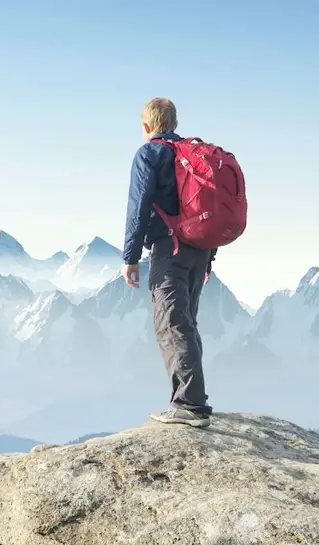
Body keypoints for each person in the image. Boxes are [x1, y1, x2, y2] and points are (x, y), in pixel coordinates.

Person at [122, 98, 215, 428]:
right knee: (186, 320)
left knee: (172, 322)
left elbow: (139, 207)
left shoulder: (150, 154)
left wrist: (130, 257)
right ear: (174, 123)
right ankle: (191, 400)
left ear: (146, 127)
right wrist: (210, 256)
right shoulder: (194, 154)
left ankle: (189, 405)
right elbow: (208, 206)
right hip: (199, 248)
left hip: (169, 248)